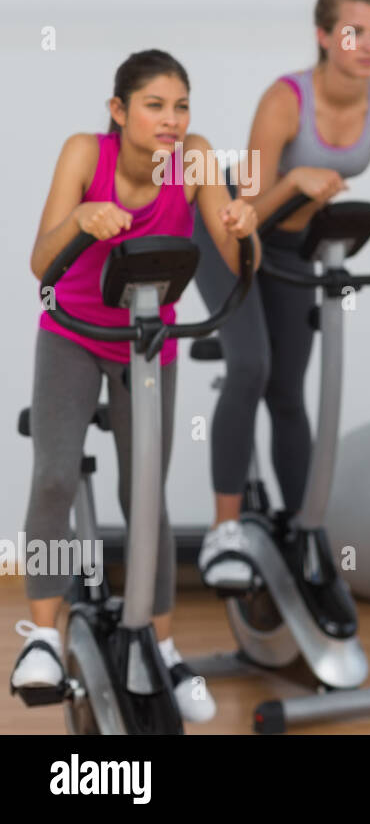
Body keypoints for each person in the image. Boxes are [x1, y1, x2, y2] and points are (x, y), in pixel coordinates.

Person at [11, 50, 260, 722]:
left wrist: (245, 228)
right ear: (119, 111)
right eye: (155, 105)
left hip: (147, 339)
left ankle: (164, 645)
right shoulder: (83, 154)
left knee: (143, 489)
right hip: (73, 332)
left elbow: (240, 261)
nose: (172, 120)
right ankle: (40, 636)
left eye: (181, 105)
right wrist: (82, 219)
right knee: (56, 477)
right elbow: (41, 259)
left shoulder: (198, 157)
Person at [194, 0, 370, 589]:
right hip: (228, 226)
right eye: (355, 31)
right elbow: (244, 209)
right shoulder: (284, 101)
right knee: (250, 366)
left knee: (287, 392)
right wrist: (295, 180)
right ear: (325, 36)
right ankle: (223, 532)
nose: (369, 45)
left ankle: (306, 529)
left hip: (297, 246)